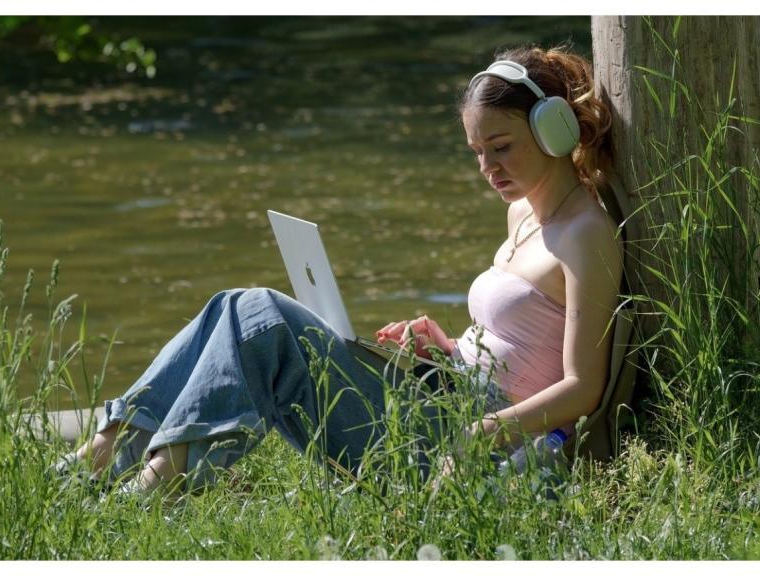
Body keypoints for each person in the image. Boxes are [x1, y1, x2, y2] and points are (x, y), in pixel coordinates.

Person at [59, 44, 622, 496]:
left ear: (553, 130)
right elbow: (523, 344)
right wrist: (447, 348)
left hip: (467, 440)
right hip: (445, 396)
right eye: (477, 150)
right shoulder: (521, 209)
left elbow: (582, 386)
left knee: (260, 313)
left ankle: (148, 483)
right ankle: (109, 453)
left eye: (500, 146)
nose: (487, 166)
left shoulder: (585, 235)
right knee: (232, 305)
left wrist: (484, 430)